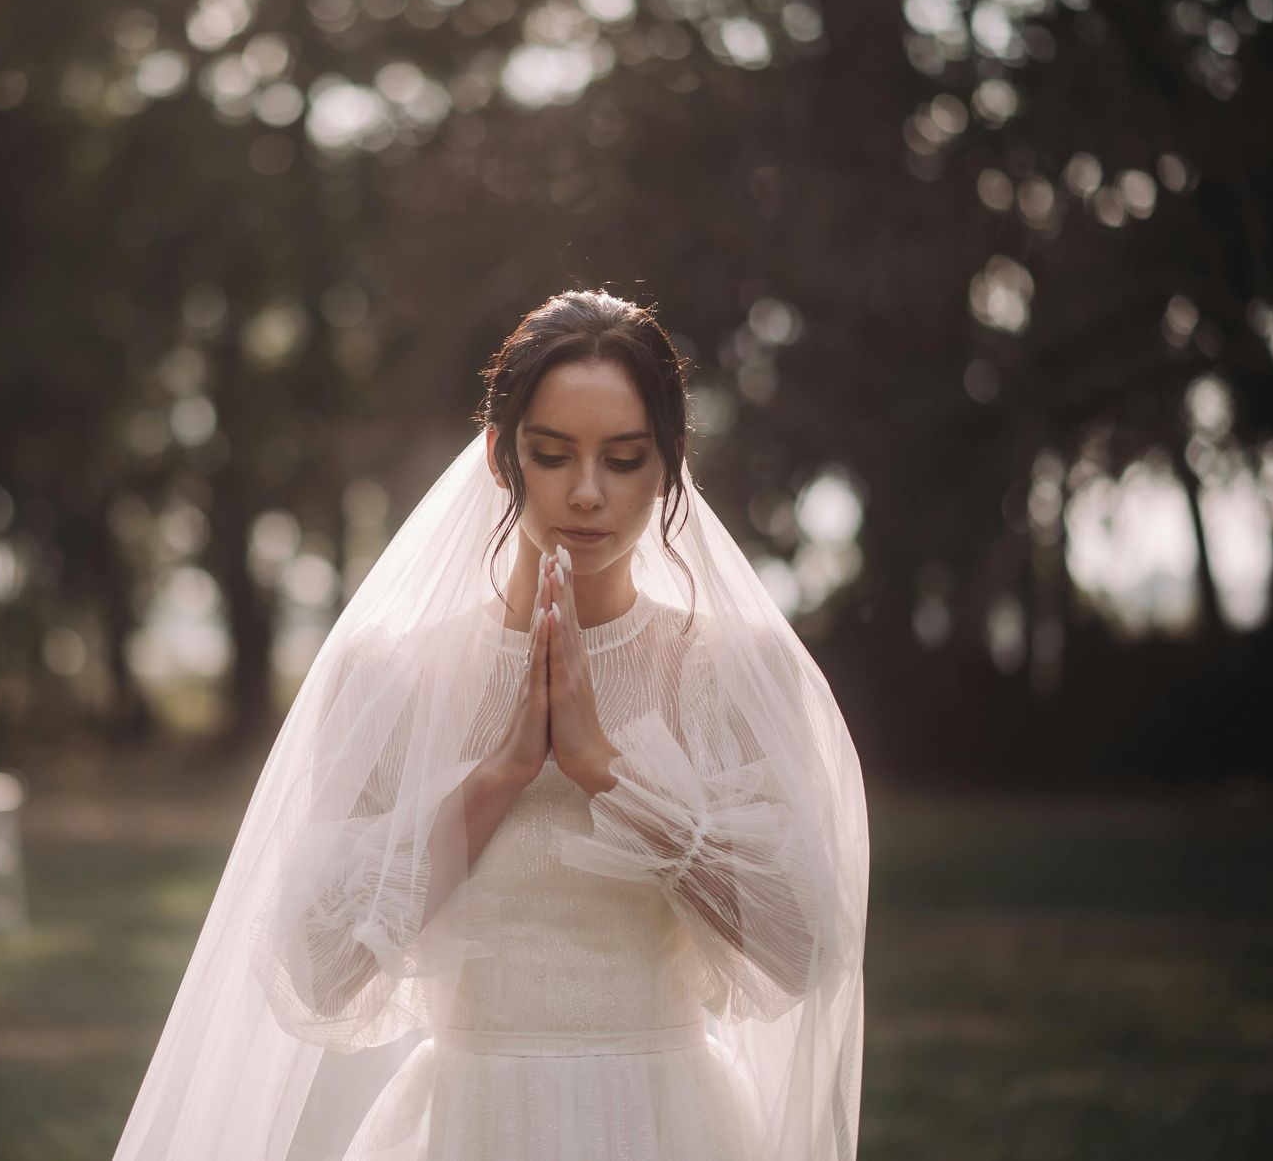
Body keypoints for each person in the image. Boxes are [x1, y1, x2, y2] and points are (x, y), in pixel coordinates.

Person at [114, 290, 869, 1161]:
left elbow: (803, 949)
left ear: (669, 469)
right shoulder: (393, 676)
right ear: (500, 458)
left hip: (667, 1123)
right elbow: (318, 970)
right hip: (470, 1125)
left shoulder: (727, 671)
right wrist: (500, 775)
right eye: (552, 455)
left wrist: (606, 774)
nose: (587, 493)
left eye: (624, 460)